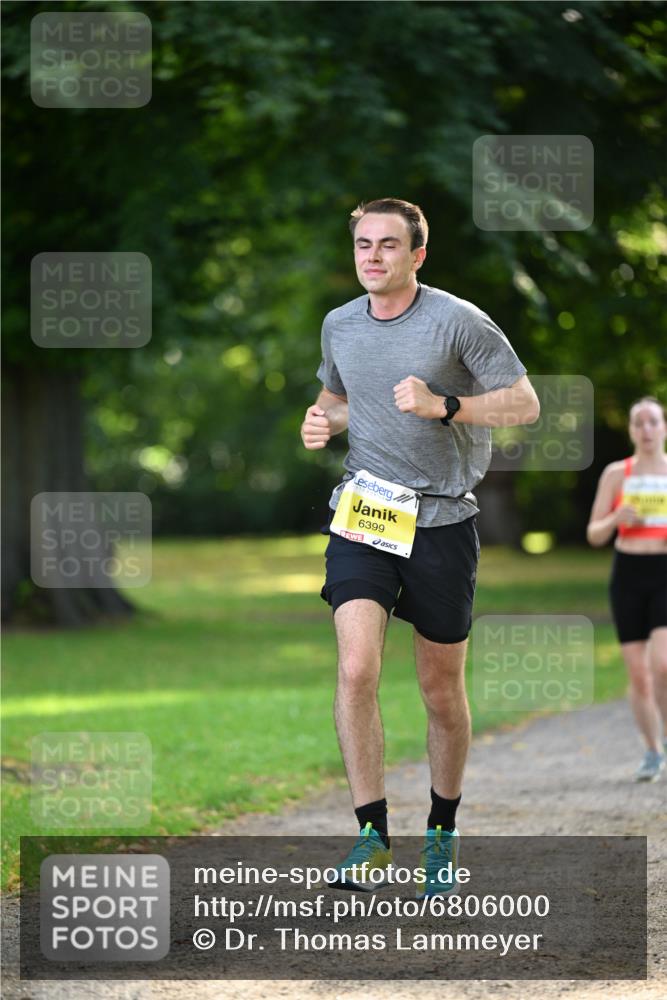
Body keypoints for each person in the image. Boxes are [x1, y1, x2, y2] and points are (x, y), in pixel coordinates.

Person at [300, 197, 539, 896]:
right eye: (362, 245)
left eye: (386, 245)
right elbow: (339, 402)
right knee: (355, 669)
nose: (371, 256)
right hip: (365, 512)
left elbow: (524, 403)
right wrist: (319, 422)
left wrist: (448, 405)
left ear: (416, 255)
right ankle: (371, 836)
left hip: (440, 522)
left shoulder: (456, 321)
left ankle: (442, 829)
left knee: (439, 690)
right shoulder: (339, 324)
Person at [586, 396, 667, 781]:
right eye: (639, 423)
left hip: (664, 571)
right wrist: (617, 517)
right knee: (638, 674)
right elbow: (593, 534)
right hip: (628, 574)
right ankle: (653, 750)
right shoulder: (617, 474)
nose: (647, 429)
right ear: (631, 430)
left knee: (662, 664)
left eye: (653, 421)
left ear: (664, 427)